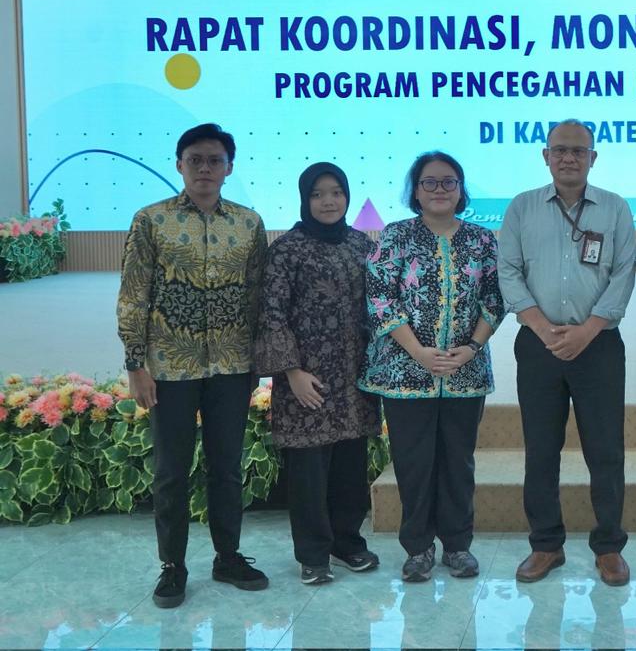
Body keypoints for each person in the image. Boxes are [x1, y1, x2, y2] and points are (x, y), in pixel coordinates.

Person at [117, 122, 269, 608]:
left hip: (231, 364)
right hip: (169, 366)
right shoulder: (151, 220)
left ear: (229, 167)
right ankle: (173, 567)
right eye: (196, 159)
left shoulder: (248, 224)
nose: (205, 168)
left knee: (226, 468)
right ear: (180, 164)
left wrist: (258, 361)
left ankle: (228, 557)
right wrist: (136, 364)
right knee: (171, 471)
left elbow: (257, 296)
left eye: (214, 160)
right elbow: (134, 294)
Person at [497, 119, 636, 587]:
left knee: (605, 449)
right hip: (537, 345)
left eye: (579, 150)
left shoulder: (615, 208)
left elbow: (624, 273)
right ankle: (545, 545)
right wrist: (542, 327)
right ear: (546, 156)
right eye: (560, 149)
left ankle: (609, 547)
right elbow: (508, 271)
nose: (569, 157)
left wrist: (588, 330)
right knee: (541, 449)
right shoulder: (521, 207)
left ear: (593, 158)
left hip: (599, 345)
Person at [360, 152, 503, 583]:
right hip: (404, 374)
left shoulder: (482, 240)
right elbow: (381, 299)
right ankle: (418, 548)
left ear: (461, 190)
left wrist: (471, 348)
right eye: (430, 182)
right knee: (413, 464)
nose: (439, 190)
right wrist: (419, 352)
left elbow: (495, 299)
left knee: (458, 463)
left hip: (465, 373)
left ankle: (458, 546)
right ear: (415, 190)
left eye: (448, 182)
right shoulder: (395, 236)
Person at [255, 162, 382, 585]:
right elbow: (271, 314)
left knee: (350, 467)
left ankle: (347, 543)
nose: (328, 201)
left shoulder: (361, 245)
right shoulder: (287, 250)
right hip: (306, 380)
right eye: (317, 194)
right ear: (304, 199)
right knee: (309, 473)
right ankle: (313, 554)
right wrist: (291, 372)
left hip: (353, 378)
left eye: (336, 192)